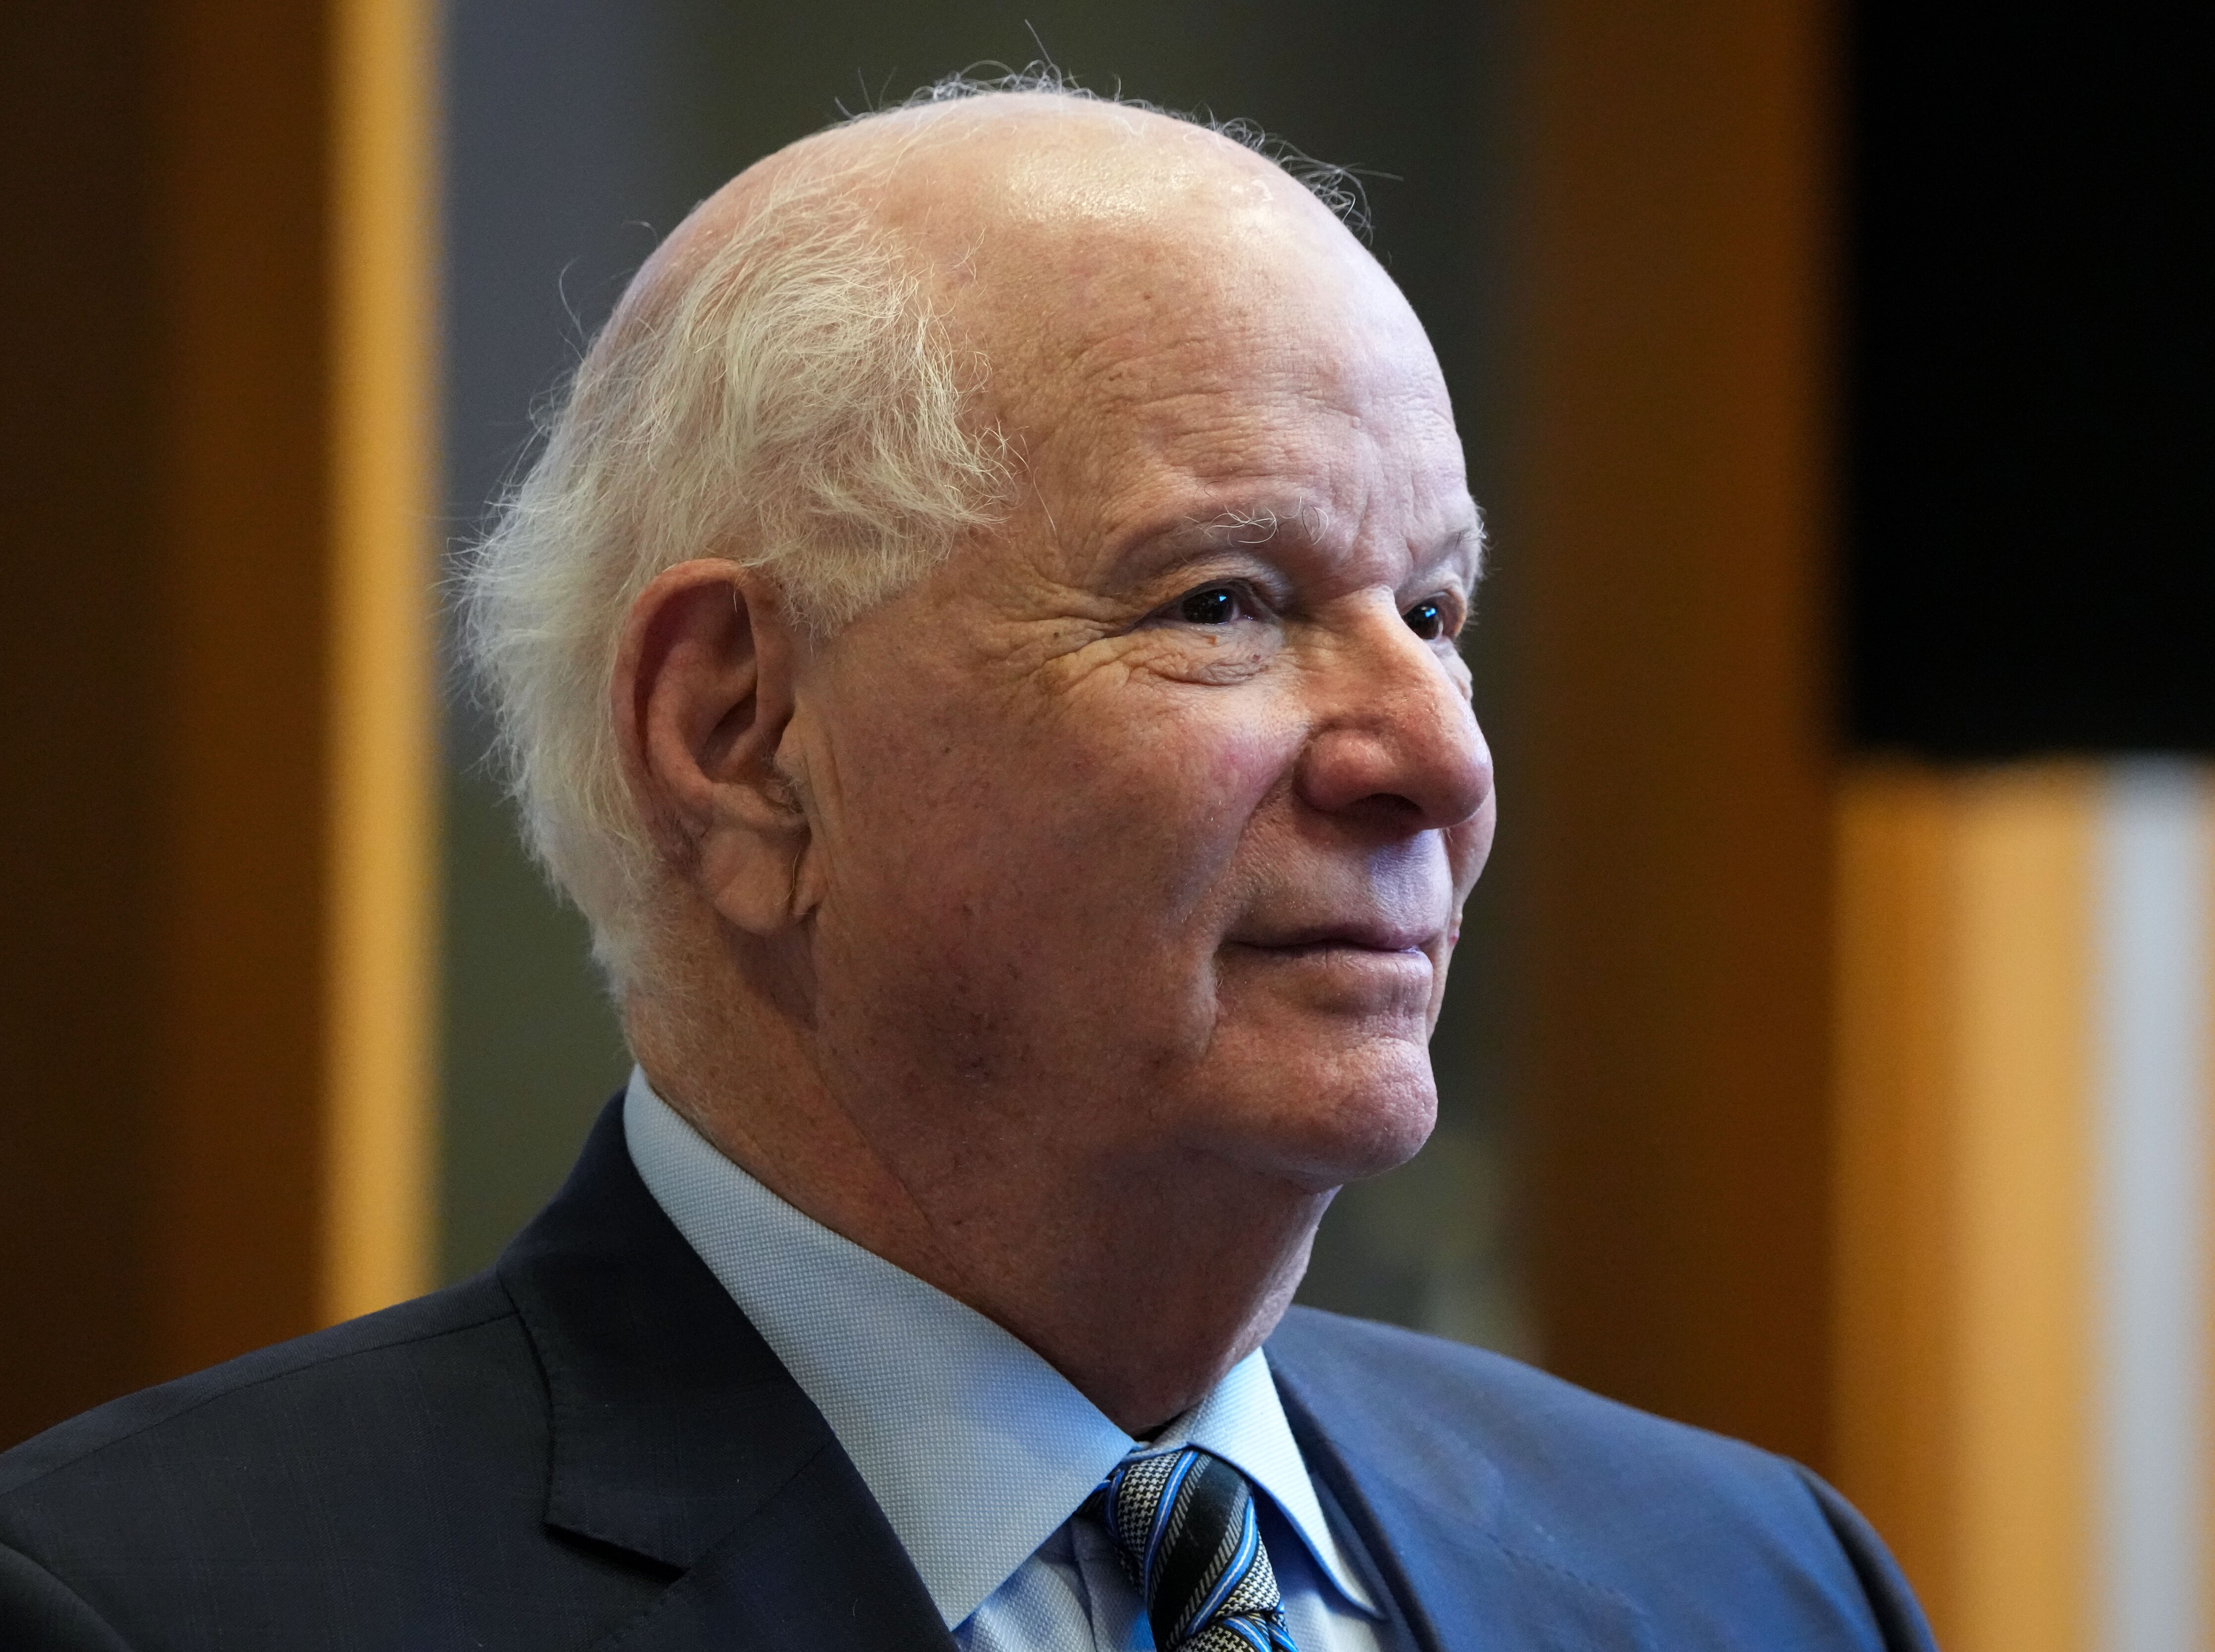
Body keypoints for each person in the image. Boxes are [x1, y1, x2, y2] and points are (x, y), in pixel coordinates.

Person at [0, 84, 1933, 1651]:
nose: (1437, 758)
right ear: (741, 738)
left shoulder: (1754, 1586)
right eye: (1225, 601)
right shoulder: (152, 1608)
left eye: (1432, 613)